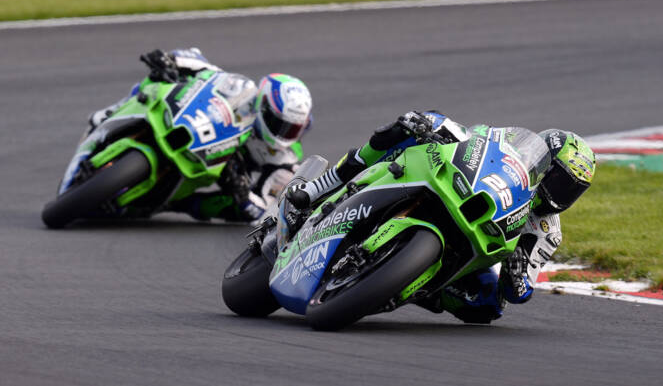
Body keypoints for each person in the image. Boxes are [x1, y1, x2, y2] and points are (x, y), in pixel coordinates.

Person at [287, 110, 596, 324]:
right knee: (404, 129)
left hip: (471, 246)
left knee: (488, 306)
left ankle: (407, 285)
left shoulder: (547, 231)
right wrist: (428, 124)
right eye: (559, 180)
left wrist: (516, 273)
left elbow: (520, 290)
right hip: (453, 185)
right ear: (545, 164)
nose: (561, 194)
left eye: (573, 190)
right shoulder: (503, 150)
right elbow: (472, 137)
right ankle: (318, 188)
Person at [88, 47, 313, 223]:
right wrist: (170, 60)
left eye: (292, 129)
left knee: (231, 209)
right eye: (279, 124)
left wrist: (244, 195)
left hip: (226, 172)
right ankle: (110, 115)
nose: (284, 134)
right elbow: (203, 65)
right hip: (201, 132)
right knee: (151, 85)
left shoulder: (285, 161)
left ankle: (176, 203)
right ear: (263, 106)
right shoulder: (243, 91)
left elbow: (266, 210)